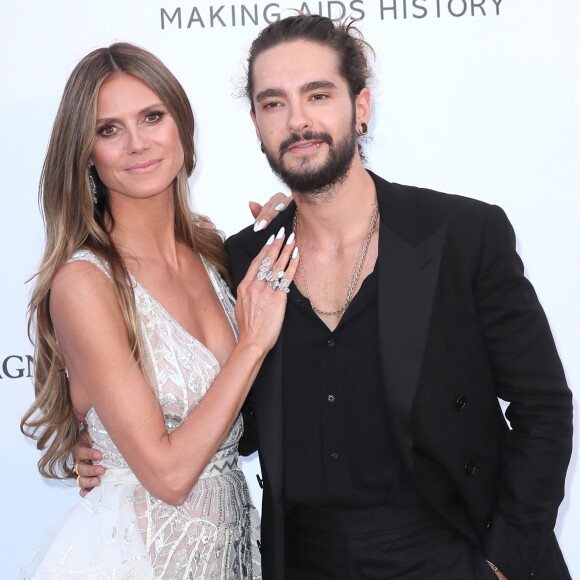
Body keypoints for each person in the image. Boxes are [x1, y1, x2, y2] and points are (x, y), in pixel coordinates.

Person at [76, 15, 573, 580]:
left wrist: (502, 561)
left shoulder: (462, 234)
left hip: (456, 551)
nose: (298, 120)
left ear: (360, 107)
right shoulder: (241, 261)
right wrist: (100, 447)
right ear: (257, 125)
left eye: (318, 94)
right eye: (273, 103)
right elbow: (221, 415)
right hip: (306, 560)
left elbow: (545, 409)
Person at [20, 42, 298, 579]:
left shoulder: (216, 254)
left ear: (181, 127)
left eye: (152, 116)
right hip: (138, 560)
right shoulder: (84, 282)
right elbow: (169, 475)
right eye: (108, 129)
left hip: (235, 554)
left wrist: (294, 220)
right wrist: (252, 343)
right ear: (86, 153)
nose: (137, 144)